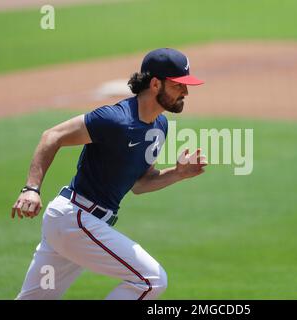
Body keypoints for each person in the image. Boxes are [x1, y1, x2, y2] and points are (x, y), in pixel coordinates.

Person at [12, 48, 206, 300]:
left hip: (77, 225)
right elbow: (52, 136)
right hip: (75, 219)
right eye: (179, 85)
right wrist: (31, 188)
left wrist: (178, 174)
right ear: (156, 83)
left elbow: (140, 183)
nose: (186, 92)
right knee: (151, 280)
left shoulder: (160, 125)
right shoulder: (115, 119)